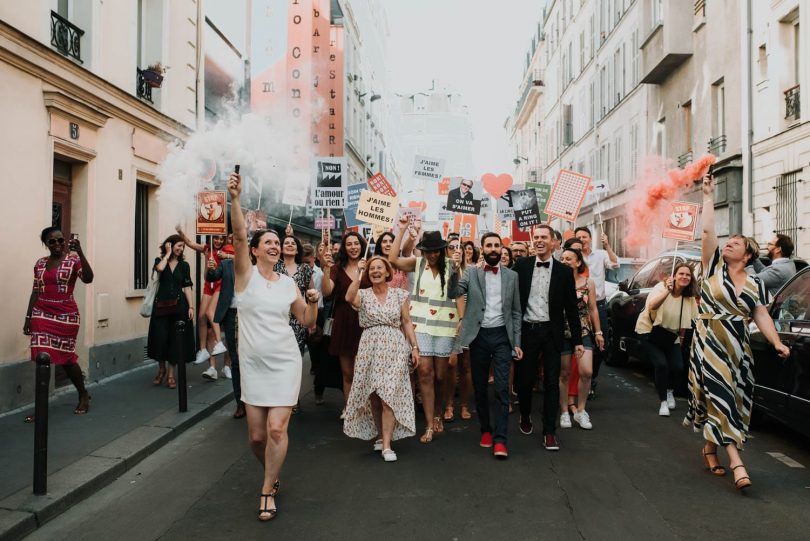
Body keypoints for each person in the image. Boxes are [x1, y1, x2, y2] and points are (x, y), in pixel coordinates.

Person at [685, 172, 790, 491]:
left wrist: (776, 342)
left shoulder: (756, 283)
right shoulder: (712, 266)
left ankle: (709, 446)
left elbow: (760, 315)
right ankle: (738, 463)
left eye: (735, 243)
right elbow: (706, 231)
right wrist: (707, 195)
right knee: (719, 396)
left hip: (737, 347)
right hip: (708, 342)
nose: (727, 244)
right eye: (726, 242)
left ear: (747, 255)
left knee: (732, 399)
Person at [227, 171, 319, 520]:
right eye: (267, 242)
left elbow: (307, 322)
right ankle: (272, 470)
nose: (274, 245)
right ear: (254, 250)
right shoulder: (244, 276)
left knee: (277, 429)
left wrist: (310, 301)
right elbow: (237, 235)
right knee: (255, 437)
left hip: (284, 361)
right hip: (253, 364)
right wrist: (235, 199)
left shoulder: (287, 283)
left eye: (277, 242)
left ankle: (267, 488)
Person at [449, 233, 523, 459]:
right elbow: (454, 292)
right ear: (482, 248)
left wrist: (517, 342)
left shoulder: (512, 276)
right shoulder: (471, 273)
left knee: (502, 388)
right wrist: (454, 269)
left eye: (496, 245)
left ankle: (501, 439)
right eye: (488, 245)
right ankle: (486, 431)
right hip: (478, 337)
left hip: (503, 337)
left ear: (502, 249)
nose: (493, 249)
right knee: (480, 389)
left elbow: (517, 312)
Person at [389, 220, 462, 443]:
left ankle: (439, 413)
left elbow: (458, 294)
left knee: (440, 375)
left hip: (445, 327)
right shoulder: (418, 264)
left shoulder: (452, 266)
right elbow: (393, 260)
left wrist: (462, 320)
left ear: (441, 250)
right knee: (424, 373)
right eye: (428, 251)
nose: (431, 255)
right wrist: (401, 230)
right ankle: (430, 424)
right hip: (420, 326)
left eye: (435, 251)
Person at [343, 256, 419, 462]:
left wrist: (414, 347)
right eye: (371, 269)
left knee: (388, 397)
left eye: (379, 268)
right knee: (374, 396)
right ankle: (380, 435)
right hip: (370, 347)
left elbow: (406, 321)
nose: (375, 271)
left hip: (394, 348)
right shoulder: (363, 294)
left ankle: (387, 446)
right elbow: (349, 298)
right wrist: (358, 274)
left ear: (387, 272)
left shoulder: (399, 294)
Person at [513, 225, 582, 451]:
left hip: (552, 333)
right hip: (527, 331)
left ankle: (549, 432)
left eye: (544, 237)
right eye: (536, 237)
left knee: (552, 382)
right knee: (525, 381)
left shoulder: (563, 271)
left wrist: (578, 340)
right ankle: (525, 414)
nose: (539, 241)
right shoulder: (521, 266)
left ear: (554, 242)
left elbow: (571, 308)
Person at [23, 227, 95, 422]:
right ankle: (40, 409)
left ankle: (82, 394)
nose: (57, 245)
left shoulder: (73, 260)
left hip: (66, 315)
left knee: (67, 359)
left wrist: (79, 251)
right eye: (52, 241)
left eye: (60, 240)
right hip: (41, 314)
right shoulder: (40, 264)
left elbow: (88, 278)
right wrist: (28, 318)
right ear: (46, 244)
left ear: (65, 241)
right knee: (42, 360)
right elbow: (35, 291)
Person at [635, 264, 699, 417]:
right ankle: (663, 402)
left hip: (670, 335)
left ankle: (669, 390)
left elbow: (688, 321)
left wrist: (681, 339)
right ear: (674, 276)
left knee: (677, 366)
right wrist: (667, 291)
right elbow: (651, 305)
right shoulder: (661, 288)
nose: (684, 277)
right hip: (649, 332)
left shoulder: (689, 297)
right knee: (661, 365)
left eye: (688, 275)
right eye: (681, 274)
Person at [556, 248, 605, 430]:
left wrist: (598, 332)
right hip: (561, 332)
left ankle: (581, 410)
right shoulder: (556, 282)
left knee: (587, 372)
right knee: (564, 373)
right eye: (562, 259)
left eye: (569, 258)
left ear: (578, 263)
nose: (565, 261)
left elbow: (593, 308)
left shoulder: (588, 283)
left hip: (583, 331)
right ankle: (563, 412)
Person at [320, 231, 366, 417]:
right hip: (344, 320)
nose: (353, 247)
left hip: (365, 321)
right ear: (345, 248)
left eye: (356, 243)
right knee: (347, 372)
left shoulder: (369, 266)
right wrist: (325, 268)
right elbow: (326, 292)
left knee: (362, 372)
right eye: (349, 244)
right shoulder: (337, 268)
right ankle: (349, 408)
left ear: (362, 245)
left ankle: (364, 409)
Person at [175, 228, 228, 376]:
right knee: (201, 317)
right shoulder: (206, 249)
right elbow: (191, 243)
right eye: (216, 238)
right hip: (208, 285)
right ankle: (203, 349)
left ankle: (219, 343)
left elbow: (240, 255)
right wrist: (180, 232)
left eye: (220, 239)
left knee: (211, 313)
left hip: (220, 284)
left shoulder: (226, 249)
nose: (218, 241)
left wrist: (226, 255)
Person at [147, 234, 196, 389]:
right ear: (170, 245)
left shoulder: (185, 265)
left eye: (183, 247)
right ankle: (161, 369)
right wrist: (167, 254)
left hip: (179, 307)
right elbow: (160, 269)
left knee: (176, 340)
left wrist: (191, 306)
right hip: (161, 306)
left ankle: (170, 375)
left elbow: (187, 286)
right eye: (179, 245)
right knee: (160, 338)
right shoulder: (159, 261)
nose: (181, 249)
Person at [574, 227, 618, 397]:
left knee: (601, 345)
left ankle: (591, 378)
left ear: (591, 239)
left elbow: (615, 264)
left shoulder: (600, 255)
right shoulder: (573, 258)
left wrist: (607, 246)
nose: (582, 239)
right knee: (579, 344)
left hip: (598, 305)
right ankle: (578, 381)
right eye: (579, 237)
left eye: (584, 237)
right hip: (578, 306)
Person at [206, 253, 244, 419]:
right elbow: (212, 277)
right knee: (235, 359)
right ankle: (240, 403)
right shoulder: (227, 264)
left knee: (251, 359)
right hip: (231, 314)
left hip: (251, 314)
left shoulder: (256, 265)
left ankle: (255, 401)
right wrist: (210, 268)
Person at [275, 226, 315, 355]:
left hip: (298, 319)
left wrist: (310, 320)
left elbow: (311, 293)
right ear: (280, 248)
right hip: (277, 317)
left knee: (295, 356)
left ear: (298, 250)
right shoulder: (274, 266)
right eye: (286, 243)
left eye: (293, 243)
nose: (290, 245)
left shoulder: (305, 269)